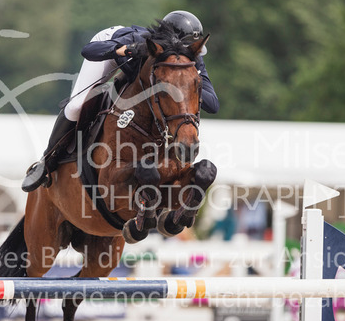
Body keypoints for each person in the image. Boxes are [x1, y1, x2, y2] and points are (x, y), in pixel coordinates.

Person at [22, 10, 220, 192]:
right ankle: (46, 162)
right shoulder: (139, 40)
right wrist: (126, 50)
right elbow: (89, 51)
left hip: (144, 79)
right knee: (76, 106)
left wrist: (183, 84)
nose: (183, 58)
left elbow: (213, 105)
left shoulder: (193, 59)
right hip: (112, 52)